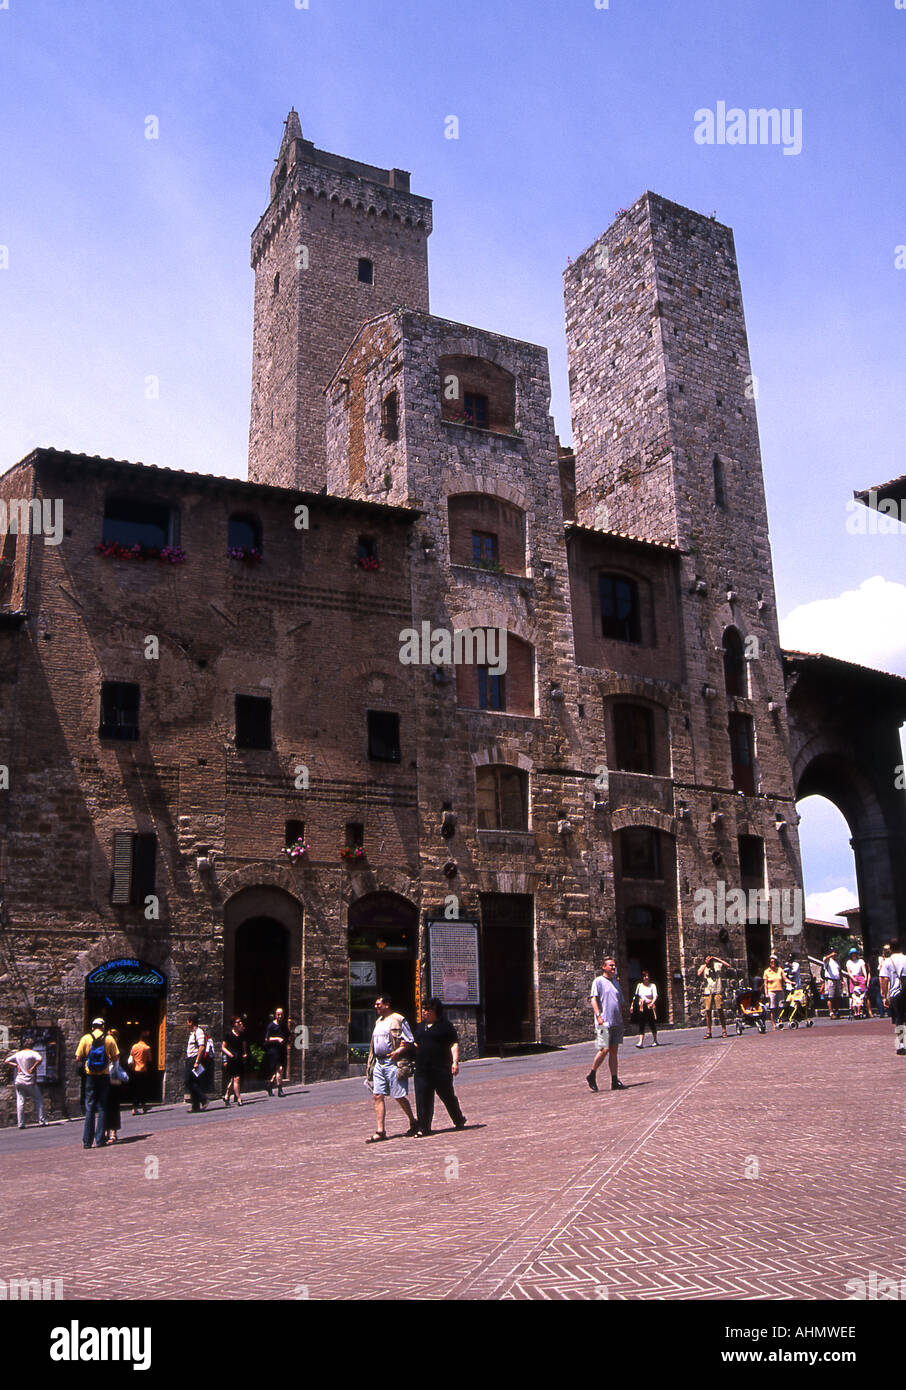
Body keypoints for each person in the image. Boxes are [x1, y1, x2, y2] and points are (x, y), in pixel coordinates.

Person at [365, 995, 419, 1141]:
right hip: (379, 1062)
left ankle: (414, 1121)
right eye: (376, 1004)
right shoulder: (378, 1021)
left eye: (378, 1004)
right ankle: (380, 1131)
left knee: (398, 1096)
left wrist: (398, 1052)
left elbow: (409, 1040)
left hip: (393, 1062)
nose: (376, 1007)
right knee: (377, 1095)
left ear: (387, 1004)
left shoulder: (398, 1019)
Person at [413, 997, 466, 1135]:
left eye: (427, 1009)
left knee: (447, 1095)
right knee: (422, 1097)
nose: (423, 1011)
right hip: (422, 1069)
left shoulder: (445, 1026)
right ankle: (423, 1128)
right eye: (423, 1009)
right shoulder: (420, 1027)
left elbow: (453, 1044)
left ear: (435, 1010)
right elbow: (417, 1043)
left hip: (440, 1068)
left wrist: (455, 1062)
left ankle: (458, 1119)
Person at [75, 1016, 118, 1149]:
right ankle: (100, 1140)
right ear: (103, 1027)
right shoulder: (109, 1039)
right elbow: (116, 1057)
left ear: (92, 1027)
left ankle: (87, 1141)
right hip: (104, 1075)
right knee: (102, 1107)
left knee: (90, 1108)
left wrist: (87, 1060)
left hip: (90, 1076)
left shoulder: (86, 1038)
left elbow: (77, 1057)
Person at [586, 957, 626, 1091]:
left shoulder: (616, 983)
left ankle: (614, 1080)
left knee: (614, 1051)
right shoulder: (598, 982)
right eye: (611, 965)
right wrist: (598, 1016)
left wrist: (620, 1016)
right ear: (604, 967)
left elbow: (620, 1001)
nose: (613, 968)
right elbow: (593, 999)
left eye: (614, 966)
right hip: (603, 1022)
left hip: (616, 1022)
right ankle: (592, 1074)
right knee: (604, 1049)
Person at [3, 1037, 46, 1129]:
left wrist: (16, 1065)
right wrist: (33, 1067)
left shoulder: (18, 1054)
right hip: (29, 1080)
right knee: (38, 1099)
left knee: (20, 1101)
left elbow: (6, 1061)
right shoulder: (33, 1053)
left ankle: (21, 1123)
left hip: (19, 1080)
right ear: (32, 1046)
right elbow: (40, 1059)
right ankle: (41, 1120)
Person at [879, 939, 906, 1056]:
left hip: (896, 993)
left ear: (890, 948)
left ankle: (901, 1045)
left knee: (899, 1019)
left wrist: (884, 996)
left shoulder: (888, 961)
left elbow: (884, 979)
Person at [697, 954, 731, 1039]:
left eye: (710, 958)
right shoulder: (703, 967)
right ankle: (708, 1032)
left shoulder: (717, 965)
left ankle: (724, 1030)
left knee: (720, 1010)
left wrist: (716, 959)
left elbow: (728, 965)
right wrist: (706, 964)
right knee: (708, 1012)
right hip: (708, 992)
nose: (709, 960)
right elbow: (698, 973)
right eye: (707, 958)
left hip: (717, 990)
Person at [221, 1017, 248, 1106]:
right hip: (232, 1059)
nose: (240, 1024)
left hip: (239, 1058)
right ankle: (239, 1098)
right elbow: (223, 1047)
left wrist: (244, 1053)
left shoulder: (241, 1035)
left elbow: (244, 1046)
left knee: (233, 1080)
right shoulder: (228, 1034)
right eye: (238, 1022)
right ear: (234, 1024)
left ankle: (226, 1096)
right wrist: (229, 1054)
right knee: (237, 1078)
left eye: (240, 1022)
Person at [185, 1013, 208, 1112]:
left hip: (194, 1059)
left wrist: (197, 1061)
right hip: (190, 1059)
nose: (187, 1023)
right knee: (194, 1082)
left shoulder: (199, 1032)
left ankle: (203, 1099)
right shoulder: (193, 1032)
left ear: (191, 1022)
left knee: (188, 1081)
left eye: (187, 1021)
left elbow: (202, 1047)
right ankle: (195, 1106)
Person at [264, 1007, 289, 1097]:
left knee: (278, 1070)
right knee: (280, 1069)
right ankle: (280, 1089)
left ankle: (269, 1085)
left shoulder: (284, 1025)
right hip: (274, 1050)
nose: (280, 1016)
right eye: (278, 1014)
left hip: (282, 1049)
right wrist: (277, 1039)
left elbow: (287, 1035)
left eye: (281, 1014)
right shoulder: (271, 1026)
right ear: (275, 1015)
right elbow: (267, 1038)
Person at [762, 955, 791, 1031]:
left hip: (780, 991)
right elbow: (765, 984)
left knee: (781, 1008)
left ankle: (780, 1023)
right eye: (771, 962)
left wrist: (791, 982)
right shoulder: (766, 971)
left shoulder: (780, 970)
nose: (773, 963)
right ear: (769, 963)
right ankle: (774, 1024)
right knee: (773, 1009)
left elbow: (785, 979)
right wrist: (766, 993)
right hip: (771, 991)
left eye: (774, 961)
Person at [104, 1028, 123, 1143]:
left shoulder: (119, 1051)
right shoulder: (104, 1050)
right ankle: (106, 1131)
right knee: (105, 1106)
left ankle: (113, 1133)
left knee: (114, 1106)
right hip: (106, 1079)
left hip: (114, 1081)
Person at [632, 971, 659, 1048]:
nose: (646, 978)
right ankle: (640, 1042)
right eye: (644, 976)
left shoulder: (652, 986)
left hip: (650, 1006)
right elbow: (638, 995)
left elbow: (655, 995)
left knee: (652, 1023)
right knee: (641, 1023)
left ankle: (655, 1040)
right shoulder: (639, 986)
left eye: (647, 976)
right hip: (642, 1006)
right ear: (642, 978)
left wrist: (651, 1003)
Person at [129, 1030, 153, 1115]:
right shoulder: (147, 1048)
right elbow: (149, 1059)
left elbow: (131, 1057)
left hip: (135, 1070)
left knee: (135, 1089)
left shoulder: (134, 1046)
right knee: (143, 1089)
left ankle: (134, 1108)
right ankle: (143, 1106)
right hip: (143, 1070)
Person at [845, 947, 872, 1017]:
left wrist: (865, 977)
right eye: (852, 954)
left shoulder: (861, 961)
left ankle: (864, 1010)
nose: (854, 955)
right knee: (854, 995)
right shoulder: (849, 962)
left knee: (863, 995)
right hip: (853, 978)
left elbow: (864, 969)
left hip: (860, 977)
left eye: (855, 954)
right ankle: (855, 1011)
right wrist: (853, 978)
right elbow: (849, 972)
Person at [822, 950, 843, 1019]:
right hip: (830, 980)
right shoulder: (828, 960)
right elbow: (824, 959)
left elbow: (839, 971)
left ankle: (836, 1012)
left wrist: (841, 980)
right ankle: (831, 1013)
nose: (834, 954)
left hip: (837, 980)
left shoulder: (837, 962)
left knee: (837, 997)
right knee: (830, 997)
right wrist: (830, 955)